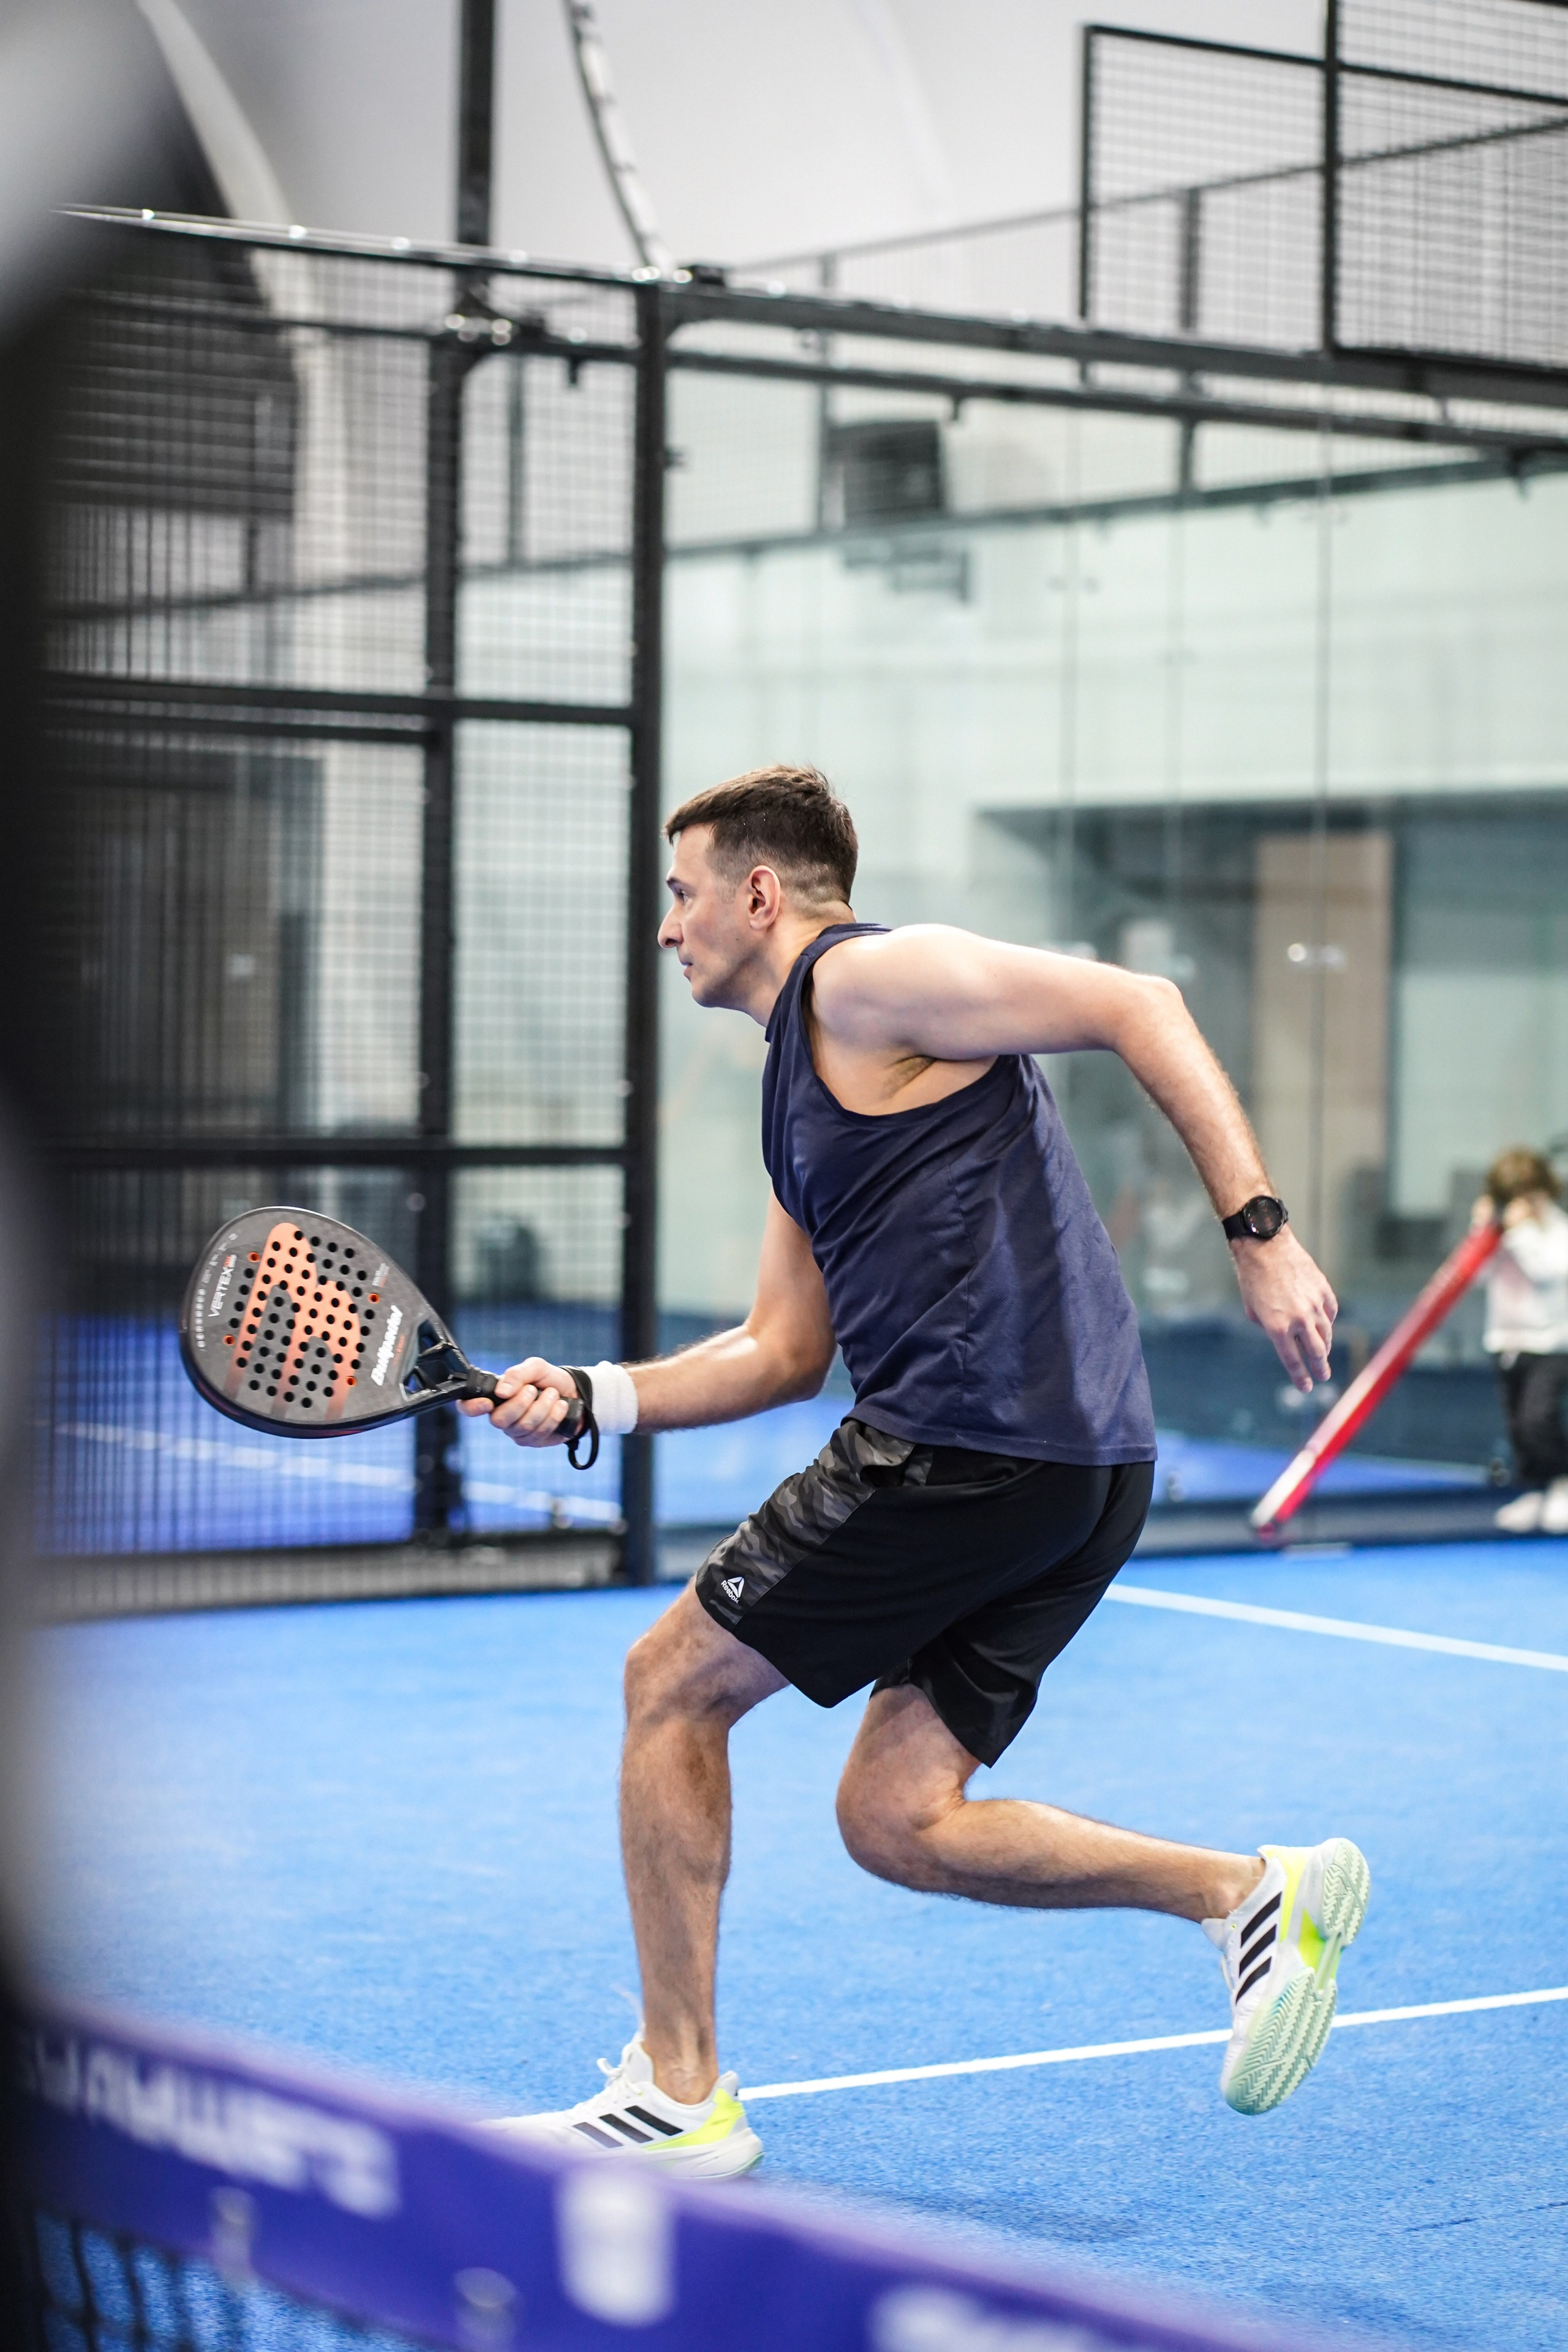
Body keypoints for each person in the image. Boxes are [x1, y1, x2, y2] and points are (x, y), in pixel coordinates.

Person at [467, 766, 1368, 2176]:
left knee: (667, 1681)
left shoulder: (871, 981)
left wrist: (1258, 1232)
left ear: (758, 892)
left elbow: (1143, 1006)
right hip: (1074, 1465)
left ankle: (677, 2088)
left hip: (969, 1443)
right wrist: (594, 1393)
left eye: (680, 891)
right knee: (894, 1819)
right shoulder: (796, 1087)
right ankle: (1248, 1892)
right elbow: (776, 1350)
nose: (667, 927)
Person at [1477, 1148, 1568, 1535]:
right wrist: (1482, 1233)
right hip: (1506, 1340)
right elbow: (1479, 1276)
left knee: (1538, 1419)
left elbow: (1548, 1271)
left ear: (1543, 1194)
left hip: (1551, 1343)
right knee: (1517, 1424)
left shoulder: (1556, 1229)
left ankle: (1563, 1484)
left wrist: (1522, 1231)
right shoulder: (1503, 1233)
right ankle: (1534, 1489)